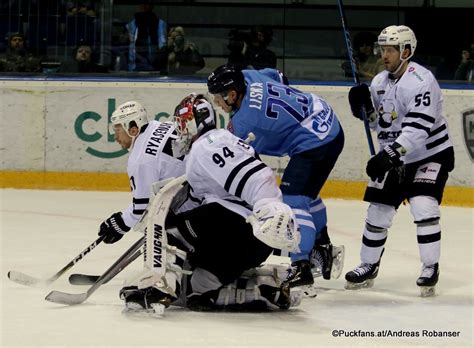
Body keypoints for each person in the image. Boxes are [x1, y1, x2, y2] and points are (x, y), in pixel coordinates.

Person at [119, 93, 302, 313]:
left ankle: (159, 287)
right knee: (197, 290)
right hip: (249, 242)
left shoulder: (208, 146)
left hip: (240, 228)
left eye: (183, 123)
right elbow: (197, 198)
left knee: (170, 230)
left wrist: (271, 208)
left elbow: (255, 176)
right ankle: (264, 287)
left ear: (194, 121)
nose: (180, 131)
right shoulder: (216, 141)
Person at [207, 64, 345, 289]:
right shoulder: (250, 76)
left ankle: (301, 266)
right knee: (306, 191)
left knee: (293, 198)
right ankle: (322, 246)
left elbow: (241, 159)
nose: (216, 103)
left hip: (316, 141)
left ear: (232, 94)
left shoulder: (245, 123)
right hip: (325, 117)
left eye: (218, 98)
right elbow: (279, 76)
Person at [345, 25, 455, 297]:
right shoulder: (380, 82)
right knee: (377, 212)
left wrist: (388, 155)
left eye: (391, 50)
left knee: (423, 205)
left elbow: (418, 130)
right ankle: (368, 264)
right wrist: (365, 109)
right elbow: (380, 125)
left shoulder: (422, 81)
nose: (385, 55)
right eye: (382, 49)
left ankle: (430, 267)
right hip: (394, 156)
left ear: (406, 51)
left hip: (431, 154)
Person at [97, 101, 186, 244]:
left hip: (192, 204)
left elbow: (141, 207)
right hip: (202, 189)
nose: (115, 138)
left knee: (153, 221)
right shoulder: (161, 125)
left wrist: (120, 223)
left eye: (117, 131)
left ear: (132, 129)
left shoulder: (140, 160)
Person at [126, 1, 167, 71]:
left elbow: (162, 47)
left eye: (147, 3)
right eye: (142, 3)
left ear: (152, 5)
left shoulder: (160, 24)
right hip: (134, 68)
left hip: (154, 68)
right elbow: (126, 46)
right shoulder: (131, 24)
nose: (144, 6)